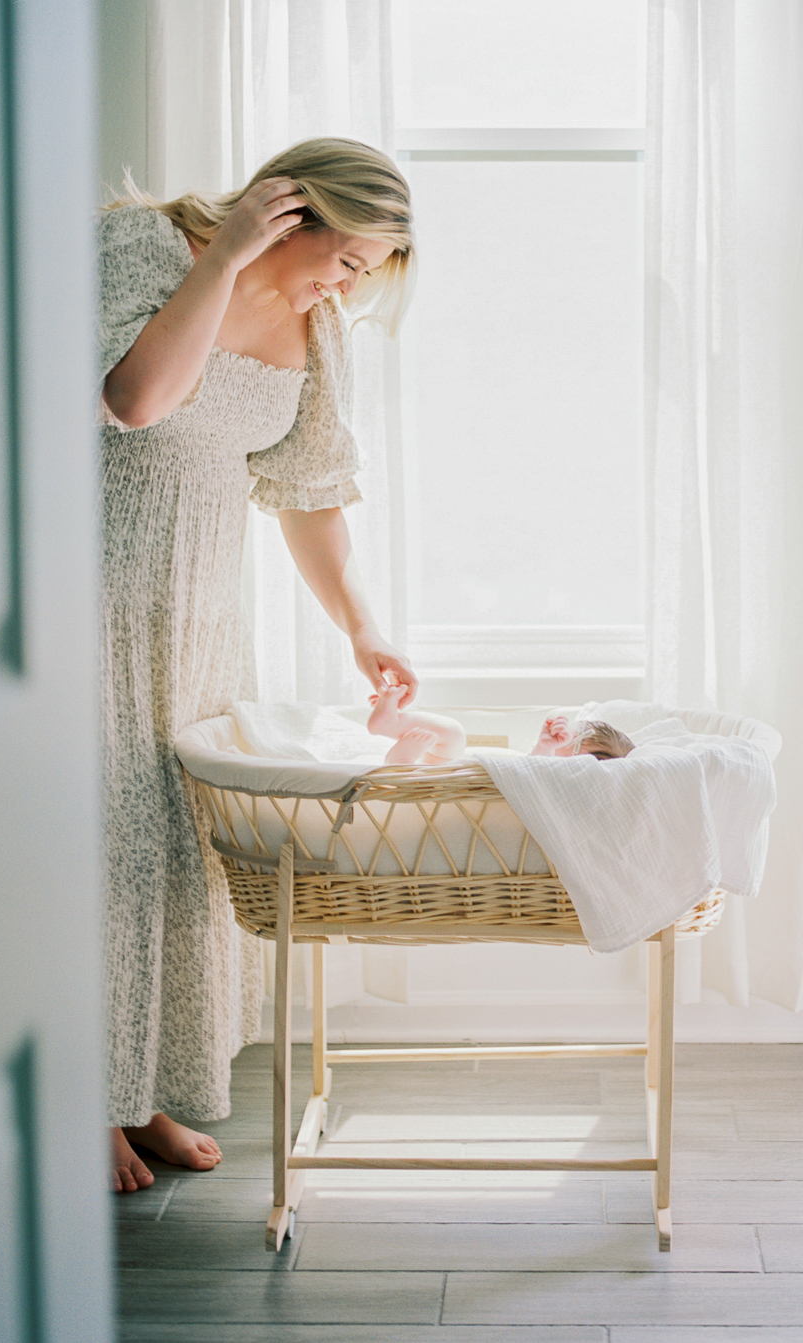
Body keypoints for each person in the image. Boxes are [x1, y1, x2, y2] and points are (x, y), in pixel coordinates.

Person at [98, 138, 417, 1193]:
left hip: (196, 615)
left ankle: (134, 1089)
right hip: (84, 595)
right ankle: (71, 1101)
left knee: (167, 849)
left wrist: (361, 627)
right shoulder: (143, 245)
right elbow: (138, 399)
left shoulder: (317, 331)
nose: (347, 283)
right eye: (350, 258)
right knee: (86, 847)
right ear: (296, 212)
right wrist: (223, 259)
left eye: (365, 271)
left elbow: (309, 489)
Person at [366, 686, 635, 764]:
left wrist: (546, 748)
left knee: (453, 735)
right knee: (453, 733)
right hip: (452, 763)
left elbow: (537, 774)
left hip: (451, 782)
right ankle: (391, 723)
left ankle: (399, 765)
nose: (560, 734)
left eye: (573, 738)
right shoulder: (541, 758)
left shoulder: (554, 772)